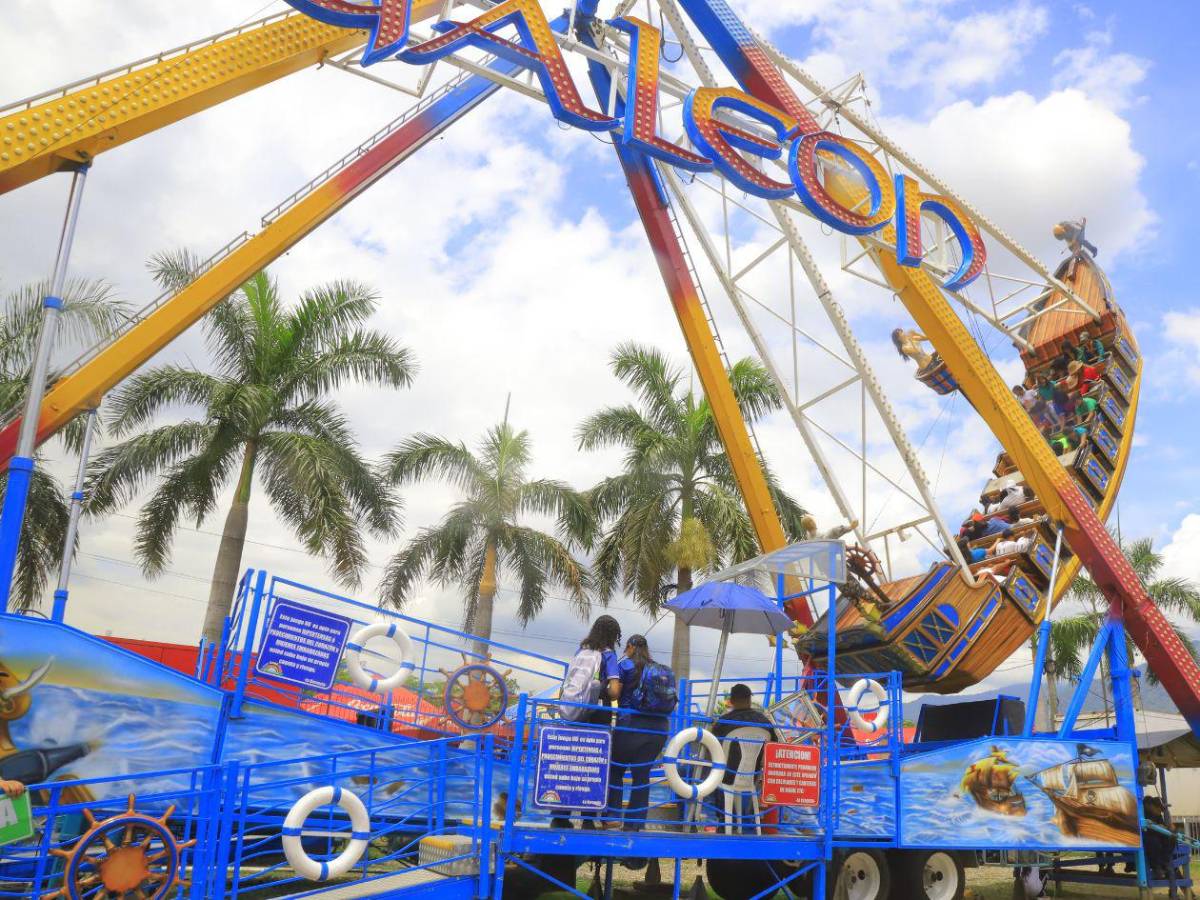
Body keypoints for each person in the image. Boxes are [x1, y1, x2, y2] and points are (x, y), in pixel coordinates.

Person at [552, 615, 623, 830]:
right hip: (597, 714)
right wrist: (604, 688)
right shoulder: (608, 655)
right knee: (594, 764)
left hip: (575, 714)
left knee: (571, 763)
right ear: (613, 636)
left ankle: (560, 815)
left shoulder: (581, 651)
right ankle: (588, 818)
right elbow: (614, 690)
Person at [605, 635, 673, 832]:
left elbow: (614, 690)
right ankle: (636, 823)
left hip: (630, 724)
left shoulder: (625, 665)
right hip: (659, 728)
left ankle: (613, 816)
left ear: (631, 647)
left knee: (616, 769)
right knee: (642, 775)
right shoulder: (658, 668)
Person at [712, 684, 778, 831]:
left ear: (732, 700)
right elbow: (773, 747)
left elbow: (712, 748)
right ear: (749, 700)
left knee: (695, 773)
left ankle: (720, 820)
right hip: (751, 778)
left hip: (726, 777)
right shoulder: (765, 722)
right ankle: (742, 819)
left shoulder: (724, 722)